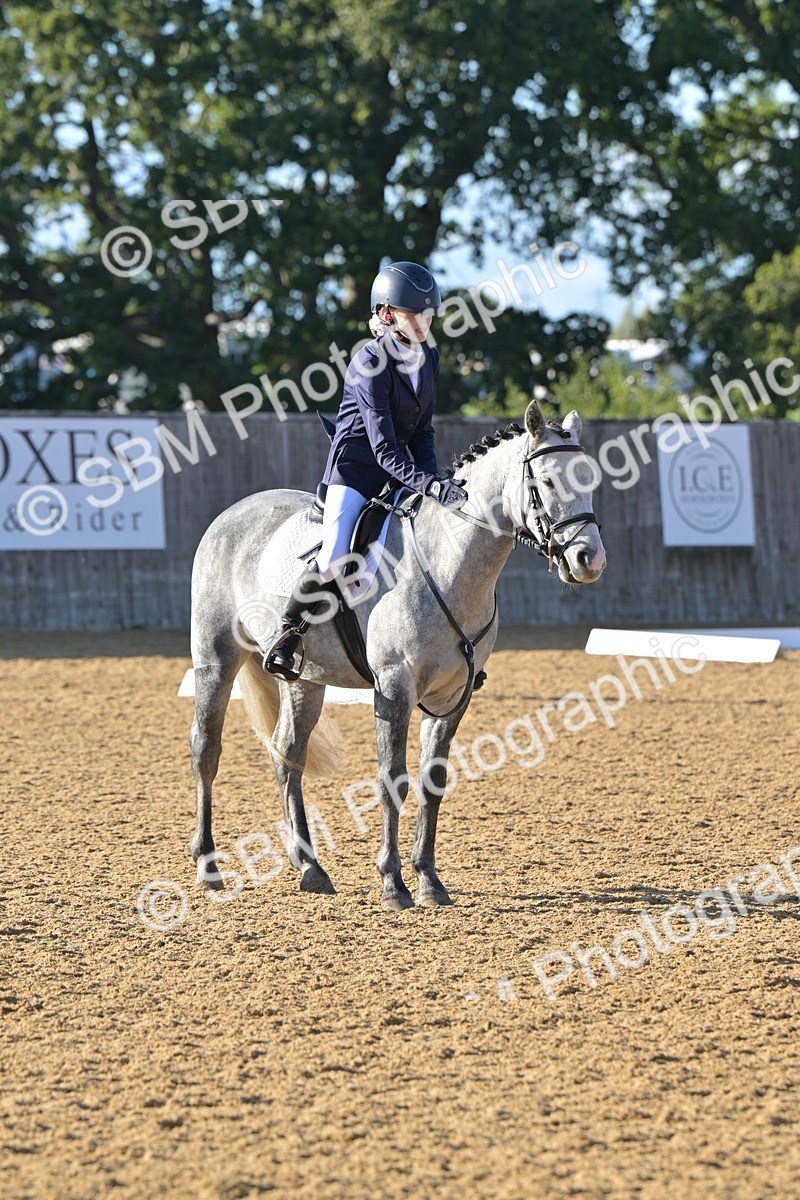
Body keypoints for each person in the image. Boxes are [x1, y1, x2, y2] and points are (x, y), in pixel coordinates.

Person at [264, 260, 468, 680]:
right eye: (416, 314)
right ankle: (288, 634)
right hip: (356, 472)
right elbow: (382, 448)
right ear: (389, 314)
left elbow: (423, 432)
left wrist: (434, 479)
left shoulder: (429, 359)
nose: (426, 323)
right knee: (336, 556)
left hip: (402, 471)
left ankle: (445, 651)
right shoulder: (368, 363)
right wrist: (427, 483)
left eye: (429, 314)